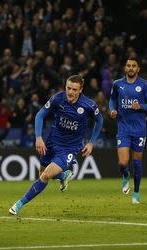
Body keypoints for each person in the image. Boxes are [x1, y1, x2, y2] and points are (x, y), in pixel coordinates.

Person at [9, 75, 103, 215]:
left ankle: (18, 204)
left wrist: (91, 143)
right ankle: (63, 176)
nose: (70, 92)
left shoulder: (88, 105)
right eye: (68, 88)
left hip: (69, 149)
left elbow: (100, 120)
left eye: (74, 89)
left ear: (80, 90)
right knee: (42, 172)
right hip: (52, 142)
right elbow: (40, 115)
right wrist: (39, 137)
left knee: (45, 175)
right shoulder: (58, 98)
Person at [109, 57, 147, 204]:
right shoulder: (117, 84)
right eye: (128, 65)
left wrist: (141, 106)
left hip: (139, 129)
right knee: (123, 162)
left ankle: (136, 192)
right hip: (123, 128)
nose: (131, 68)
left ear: (138, 69)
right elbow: (112, 100)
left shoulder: (144, 85)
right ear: (125, 68)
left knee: (137, 162)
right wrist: (112, 110)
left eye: (133, 66)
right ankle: (125, 176)